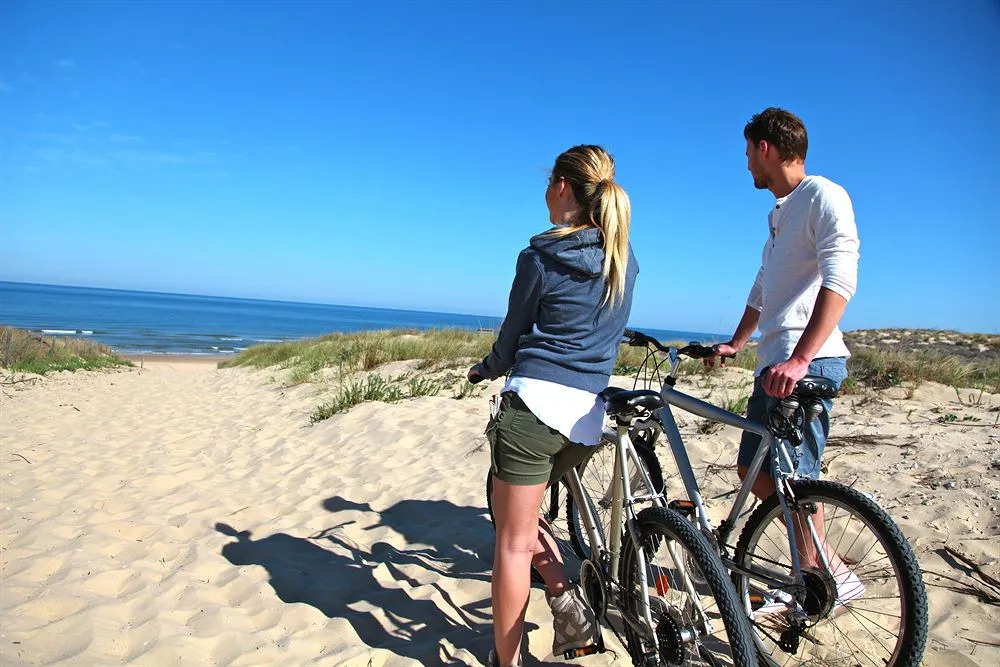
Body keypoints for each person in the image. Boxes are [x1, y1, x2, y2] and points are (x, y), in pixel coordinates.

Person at [468, 145, 638, 667]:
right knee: (523, 511)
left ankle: (508, 661)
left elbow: (512, 336)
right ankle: (564, 599)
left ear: (562, 186)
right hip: (585, 422)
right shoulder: (623, 258)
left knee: (513, 543)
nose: (545, 192)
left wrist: (486, 368)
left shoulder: (541, 256)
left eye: (548, 183)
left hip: (534, 413)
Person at [706, 107, 861, 606]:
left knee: (796, 481)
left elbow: (841, 279)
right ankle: (824, 568)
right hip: (773, 363)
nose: (746, 164)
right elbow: (762, 288)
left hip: (805, 363)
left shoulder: (823, 195)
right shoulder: (779, 213)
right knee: (756, 472)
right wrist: (737, 341)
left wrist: (800, 359)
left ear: (765, 148)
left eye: (748, 153)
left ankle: (815, 582)